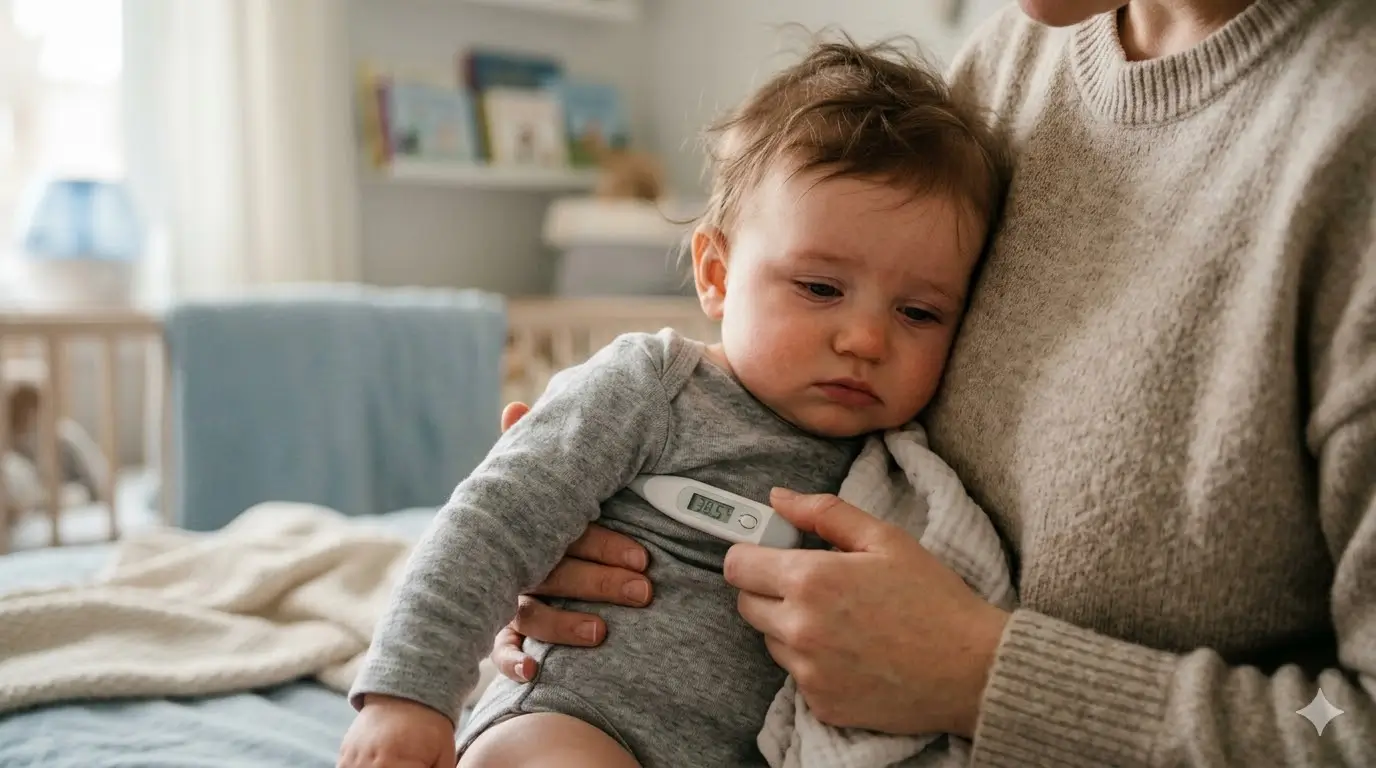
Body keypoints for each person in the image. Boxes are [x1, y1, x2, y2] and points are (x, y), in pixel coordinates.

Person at [490, 0, 1376, 765]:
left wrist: (986, 679)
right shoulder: (1005, 74)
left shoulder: (1347, 151)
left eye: (919, 314)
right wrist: (577, 516)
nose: (868, 339)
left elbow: (1351, 729)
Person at [337, 38, 1008, 768]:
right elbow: (491, 523)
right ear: (717, 275)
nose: (866, 339)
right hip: (580, 717)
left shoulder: (904, 467)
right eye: (819, 289)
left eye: (919, 313)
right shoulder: (653, 388)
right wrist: (408, 693)